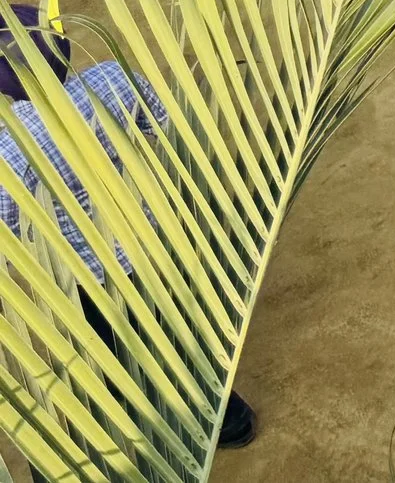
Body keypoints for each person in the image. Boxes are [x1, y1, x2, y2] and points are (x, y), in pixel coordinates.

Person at [0, 39, 260, 447]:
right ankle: (232, 419)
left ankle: (158, 442)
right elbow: (163, 123)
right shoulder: (111, 76)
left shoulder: (9, 151)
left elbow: (6, 235)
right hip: (153, 237)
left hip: (94, 274)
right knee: (183, 331)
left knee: (123, 361)